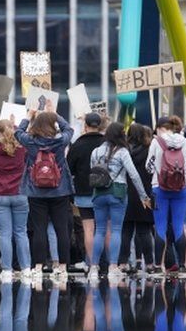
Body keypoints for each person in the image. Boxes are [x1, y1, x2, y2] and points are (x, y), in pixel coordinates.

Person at [15, 102, 74, 277]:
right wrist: (55, 114)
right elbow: (69, 129)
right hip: (59, 190)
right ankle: (63, 267)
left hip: (36, 191)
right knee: (61, 229)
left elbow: (18, 132)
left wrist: (28, 116)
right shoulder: (60, 141)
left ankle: (38, 267)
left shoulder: (30, 142)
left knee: (39, 229)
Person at [88, 122, 151, 280]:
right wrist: (143, 196)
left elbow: (92, 171)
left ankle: (94, 267)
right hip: (117, 192)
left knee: (100, 230)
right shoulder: (122, 151)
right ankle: (113, 267)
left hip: (98, 194)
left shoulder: (95, 151)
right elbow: (134, 175)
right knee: (116, 230)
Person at [146, 115, 186, 274]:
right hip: (181, 188)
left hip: (159, 188)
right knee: (179, 225)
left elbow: (148, 166)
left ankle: (159, 266)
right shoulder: (185, 141)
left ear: (161, 128)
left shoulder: (156, 142)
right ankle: (182, 265)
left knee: (160, 226)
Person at [0, 119, 29, 283]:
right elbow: (23, 136)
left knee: (4, 233)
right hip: (19, 192)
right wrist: (16, 125)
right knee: (21, 232)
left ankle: (7, 269)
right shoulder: (21, 149)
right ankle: (25, 268)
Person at [66, 112, 106, 266]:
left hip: (83, 192)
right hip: (104, 190)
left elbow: (70, 169)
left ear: (85, 125)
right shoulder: (106, 143)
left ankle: (92, 264)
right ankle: (108, 262)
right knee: (103, 228)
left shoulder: (77, 144)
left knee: (88, 229)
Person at [119, 123, 155, 271]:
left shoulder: (123, 151)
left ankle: (123, 263)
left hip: (125, 194)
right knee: (144, 231)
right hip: (144, 195)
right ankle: (149, 263)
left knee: (125, 231)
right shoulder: (149, 151)